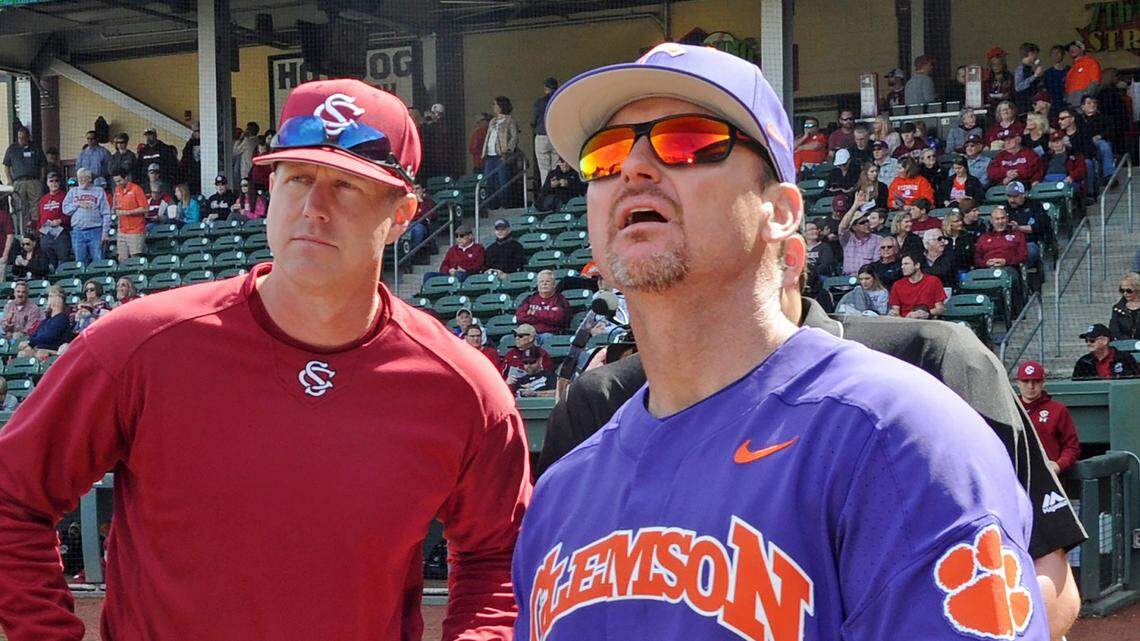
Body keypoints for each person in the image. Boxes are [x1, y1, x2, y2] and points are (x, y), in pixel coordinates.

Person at [525, 43, 1052, 641]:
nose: (635, 168)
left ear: (780, 212)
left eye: (689, 141)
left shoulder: (899, 437)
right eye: (606, 154)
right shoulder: (560, 496)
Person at [0, 78, 530, 640]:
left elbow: (500, 560)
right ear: (271, 188)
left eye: (348, 186)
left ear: (403, 213)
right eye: (298, 178)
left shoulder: (463, 390)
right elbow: (12, 497)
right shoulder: (140, 343)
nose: (314, 208)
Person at [1016, 362, 1081, 476]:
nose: (1031, 386)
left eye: (1036, 381)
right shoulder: (1010, 409)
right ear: (1018, 383)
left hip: (1047, 476)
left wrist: (1059, 465)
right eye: (1025, 381)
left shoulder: (1057, 410)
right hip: (1016, 476)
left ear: (1043, 383)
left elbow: (1072, 446)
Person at [62, 167, 112, 265]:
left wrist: (105, 232)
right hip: (78, 231)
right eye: (80, 178)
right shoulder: (73, 192)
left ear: (90, 179)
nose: (82, 180)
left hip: (96, 230)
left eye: (85, 178)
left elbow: (106, 213)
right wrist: (78, 204)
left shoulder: (98, 191)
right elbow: (65, 210)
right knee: (80, 262)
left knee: (99, 261)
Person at [2, 127, 47, 234]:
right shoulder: (12, 149)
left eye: (23, 137)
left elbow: (43, 165)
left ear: (28, 137)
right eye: (19, 138)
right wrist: (10, 181)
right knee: (20, 208)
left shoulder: (36, 147)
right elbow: (6, 166)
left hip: (34, 181)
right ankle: (23, 235)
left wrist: (41, 180)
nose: (21, 140)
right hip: (18, 182)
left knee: (36, 207)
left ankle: (37, 234)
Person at [482, 96, 520, 210]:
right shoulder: (493, 121)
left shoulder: (510, 120)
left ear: (501, 106)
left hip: (501, 155)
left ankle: (505, 204)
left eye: (495, 104)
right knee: (489, 180)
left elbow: (514, 137)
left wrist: (508, 150)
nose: (493, 107)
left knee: (503, 180)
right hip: (490, 154)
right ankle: (492, 205)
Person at [515, 269, 570, 340]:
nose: (544, 284)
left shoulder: (560, 300)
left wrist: (534, 313)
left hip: (549, 334)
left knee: (546, 337)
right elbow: (520, 317)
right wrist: (545, 317)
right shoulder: (530, 299)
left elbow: (557, 318)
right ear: (538, 285)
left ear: (554, 285)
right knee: (507, 339)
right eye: (541, 282)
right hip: (529, 334)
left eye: (548, 281)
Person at [1005, 181, 1050, 268]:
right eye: (1009, 196)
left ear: (1024, 194)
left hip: (1029, 242)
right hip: (1009, 242)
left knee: (1031, 250)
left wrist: (1019, 228)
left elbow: (1042, 226)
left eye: (1015, 196)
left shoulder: (1035, 205)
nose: (1011, 200)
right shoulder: (1005, 208)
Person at [888, 252, 946, 318]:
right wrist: (894, 313)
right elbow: (896, 310)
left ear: (917, 265)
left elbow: (940, 308)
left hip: (928, 321)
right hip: (905, 322)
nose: (902, 267)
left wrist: (926, 313)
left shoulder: (933, 281)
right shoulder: (897, 285)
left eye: (906, 264)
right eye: (902, 264)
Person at [502, 323, 554, 395]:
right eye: (515, 336)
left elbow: (548, 375)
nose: (517, 338)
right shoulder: (510, 354)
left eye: (520, 336)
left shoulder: (541, 353)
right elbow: (502, 375)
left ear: (531, 338)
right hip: (513, 389)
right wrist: (506, 383)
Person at [1073, 323, 1139, 379]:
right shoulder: (1083, 362)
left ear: (1105, 341)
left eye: (1092, 340)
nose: (1088, 343)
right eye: (1086, 340)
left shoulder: (1125, 358)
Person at [111, 168, 148, 261]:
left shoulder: (136, 189)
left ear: (126, 178)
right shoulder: (117, 190)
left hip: (136, 229)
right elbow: (116, 205)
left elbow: (145, 208)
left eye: (119, 181)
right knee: (121, 258)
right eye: (115, 181)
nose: (117, 183)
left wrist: (127, 212)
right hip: (122, 229)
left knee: (135, 257)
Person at [36, 172, 71, 270]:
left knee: (64, 260)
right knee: (49, 263)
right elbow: (40, 217)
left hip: (61, 231)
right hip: (46, 232)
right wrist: (40, 231)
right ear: (47, 183)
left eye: (56, 181)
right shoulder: (43, 199)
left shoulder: (65, 196)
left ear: (60, 183)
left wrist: (61, 220)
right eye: (51, 181)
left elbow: (70, 214)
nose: (54, 183)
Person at [837, 200, 878, 275]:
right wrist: (855, 206)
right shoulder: (847, 239)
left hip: (867, 277)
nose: (866, 224)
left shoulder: (877, 239)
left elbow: (876, 264)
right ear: (854, 227)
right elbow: (842, 227)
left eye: (867, 221)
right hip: (847, 279)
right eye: (862, 223)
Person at [533, 77, 560, 185]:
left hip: (542, 135)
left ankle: (547, 192)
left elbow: (534, 119)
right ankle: (557, 192)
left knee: (544, 169)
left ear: (545, 88)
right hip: (556, 136)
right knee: (556, 166)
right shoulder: (559, 101)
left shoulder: (539, 103)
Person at [1065, 40, 1101, 107]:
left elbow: (1095, 83)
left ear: (1082, 49)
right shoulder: (1072, 69)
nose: (1071, 50)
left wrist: (1085, 98)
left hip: (1083, 104)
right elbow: (1068, 88)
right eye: (1069, 49)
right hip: (1071, 104)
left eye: (1074, 47)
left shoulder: (1091, 63)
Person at [1014, 43, 1045, 114]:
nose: (1036, 57)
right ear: (1031, 54)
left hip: (1030, 103)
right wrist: (1035, 76)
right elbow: (1018, 87)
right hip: (1023, 105)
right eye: (1036, 54)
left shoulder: (1029, 68)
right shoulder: (1020, 68)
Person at [943, 211, 975, 275]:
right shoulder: (943, 238)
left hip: (964, 270)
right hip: (947, 271)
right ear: (949, 224)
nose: (960, 223)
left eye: (960, 220)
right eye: (956, 221)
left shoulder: (967, 236)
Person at [1110, 272, 1140, 340]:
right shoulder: (1117, 308)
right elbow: (1114, 330)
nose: (1125, 293)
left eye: (1129, 291)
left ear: (1138, 290)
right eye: (1122, 290)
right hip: (1123, 346)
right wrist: (1130, 342)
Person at [180, 124, 202, 194]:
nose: (198, 133)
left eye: (199, 131)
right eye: (196, 131)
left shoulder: (207, 142)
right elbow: (185, 156)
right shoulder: (190, 143)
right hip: (192, 175)